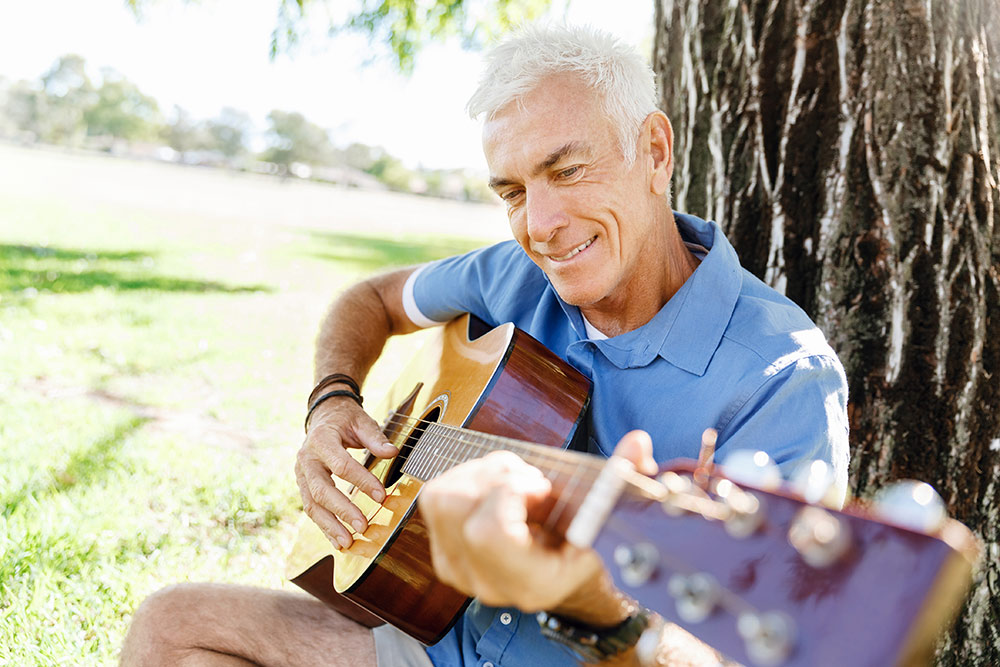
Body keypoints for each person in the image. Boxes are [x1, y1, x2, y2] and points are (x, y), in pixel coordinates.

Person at [121, 24, 849, 667]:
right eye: (512, 191)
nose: (541, 224)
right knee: (174, 627)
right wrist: (331, 401)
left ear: (654, 152)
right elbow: (369, 300)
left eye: (567, 171)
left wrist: (599, 603)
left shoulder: (780, 379)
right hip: (437, 639)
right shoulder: (515, 274)